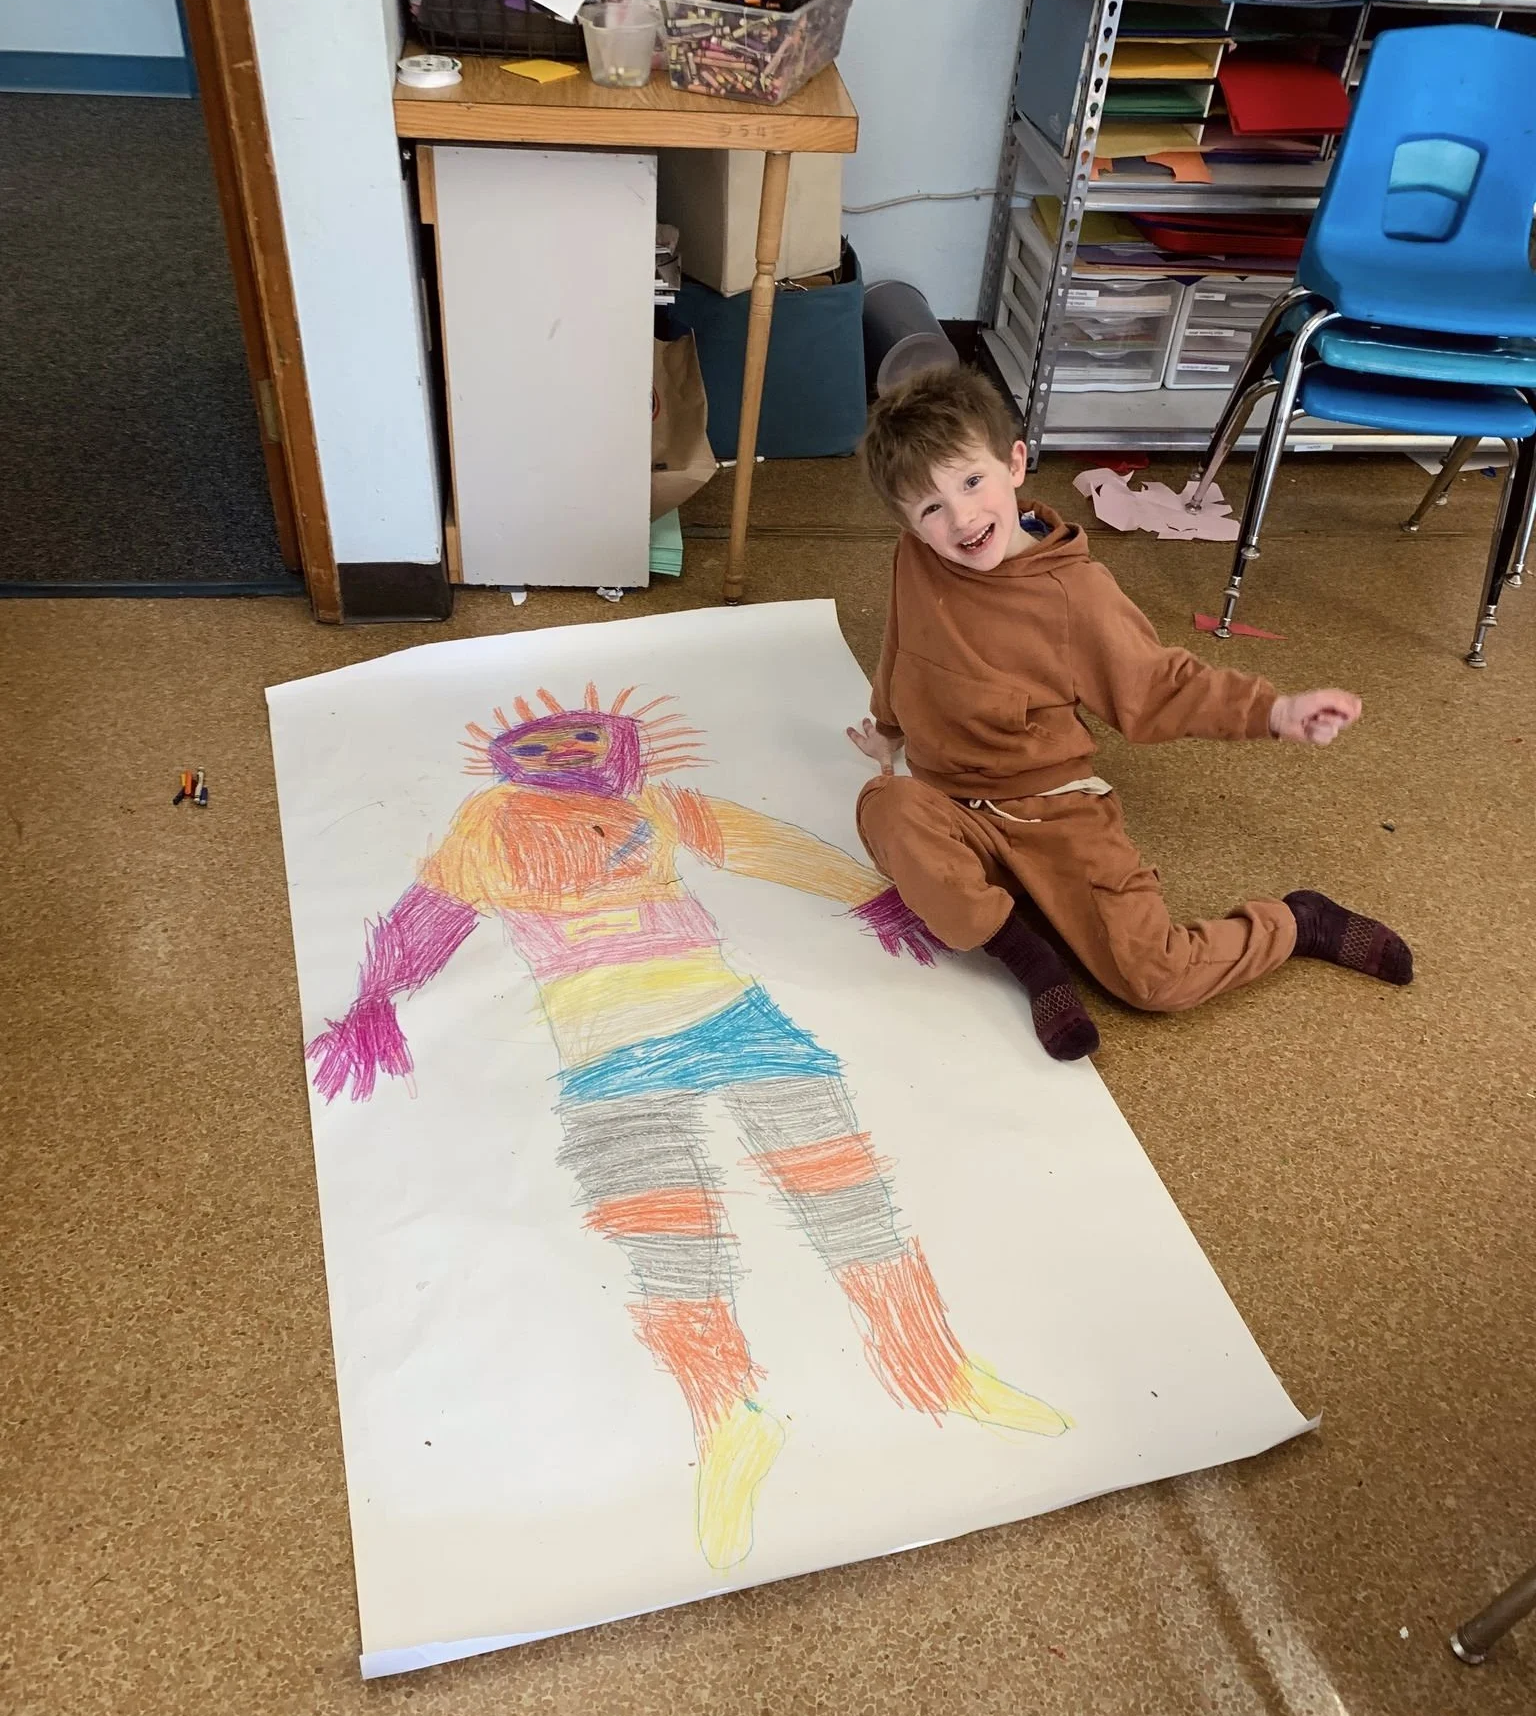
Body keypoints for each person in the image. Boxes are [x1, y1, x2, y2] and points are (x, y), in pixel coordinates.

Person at [307, 686, 1067, 1573]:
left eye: (580, 739)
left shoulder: (654, 805)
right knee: (671, 1247)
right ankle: (728, 1421)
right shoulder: (487, 825)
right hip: (609, 1053)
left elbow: (760, 842)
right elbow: (427, 916)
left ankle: (936, 1368)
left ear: (616, 742)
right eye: (540, 749)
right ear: (510, 763)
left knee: (848, 1195)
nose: (564, 759)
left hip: (730, 1018)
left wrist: (872, 895)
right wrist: (373, 1000)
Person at [847, 368, 1412, 1062]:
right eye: (931, 507)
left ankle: (1298, 923)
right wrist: (889, 729)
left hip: (1052, 813)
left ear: (1015, 463)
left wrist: (1274, 710)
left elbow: (1160, 685)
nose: (961, 518)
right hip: (953, 808)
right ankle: (1031, 960)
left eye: (971, 482)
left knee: (1154, 981)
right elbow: (903, 644)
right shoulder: (916, 557)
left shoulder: (1076, 595)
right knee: (887, 807)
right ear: (906, 523)